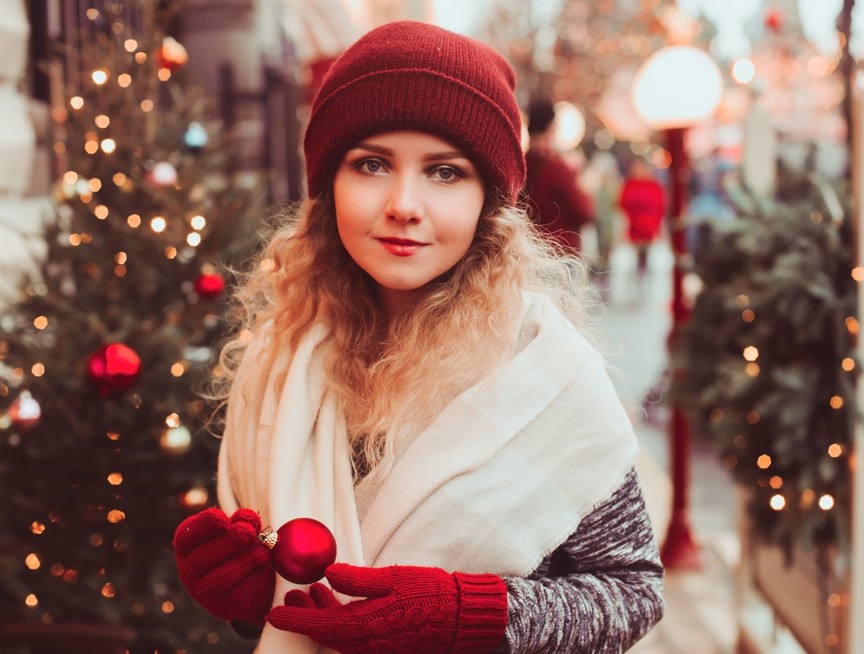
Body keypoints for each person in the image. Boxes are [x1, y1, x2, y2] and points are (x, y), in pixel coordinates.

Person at [173, 20, 664, 654]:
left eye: (444, 172)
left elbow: (633, 591)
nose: (404, 203)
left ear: (488, 200)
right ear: (329, 186)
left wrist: (474, 616)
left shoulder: (545, 373)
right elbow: (282, 593)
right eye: (372, 164)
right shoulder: (277, 359)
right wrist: (245, 597)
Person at [523, 98, 593, 257]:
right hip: (559, 254)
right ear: (551, 128)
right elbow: (583, 213)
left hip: (527, 251)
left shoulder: (520, 165)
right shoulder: (557, 168)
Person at [619, 156, 667, 279]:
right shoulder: (628, 186)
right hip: (631, 236)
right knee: (625, 266)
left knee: (658, 266)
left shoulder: (655, 188)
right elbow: (623, 211)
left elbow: (660, 211)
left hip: (652, 235)